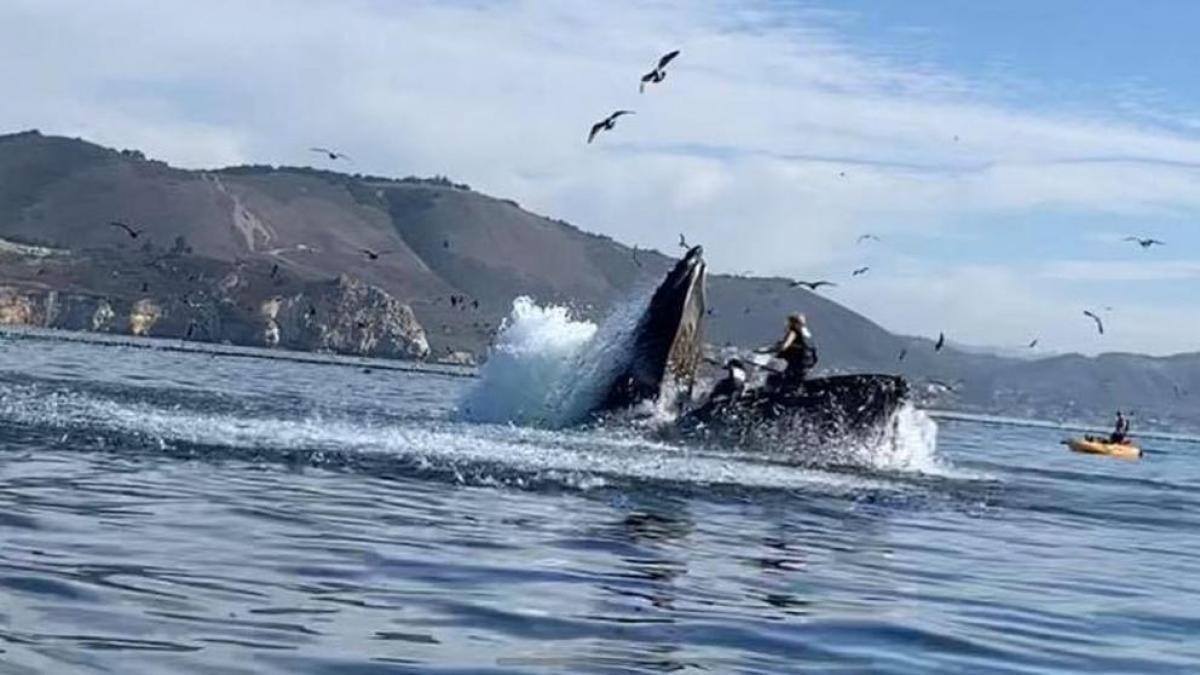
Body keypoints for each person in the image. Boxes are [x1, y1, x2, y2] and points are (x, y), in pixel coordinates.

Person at [758, 313, 818, 391]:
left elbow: (784, 346)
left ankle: (768, 393)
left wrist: (763, 351)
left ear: (793, 323)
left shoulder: (793, 332)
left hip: (795, 365)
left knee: (772, 377)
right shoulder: (807, 334)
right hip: (806, 365)